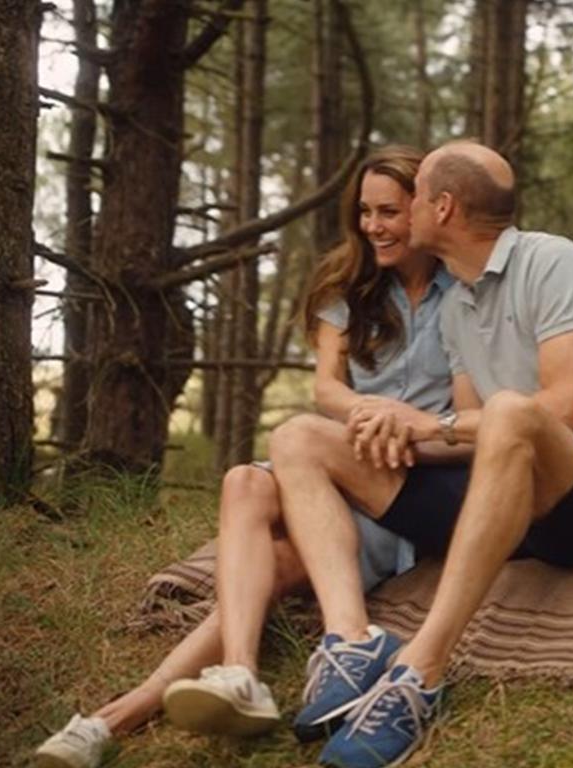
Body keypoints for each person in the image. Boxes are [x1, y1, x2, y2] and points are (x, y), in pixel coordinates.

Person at [34, 144, 460, 768]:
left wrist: (407, 425)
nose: (373, 226)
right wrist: (369, 415)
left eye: (389, 212)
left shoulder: (465, 292)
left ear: (424, 211)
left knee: (278, 569)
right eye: (364, 212)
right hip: (334, 456)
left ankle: (117, 716)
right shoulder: (349, 287)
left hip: (393, 485)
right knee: (242, 482)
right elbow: (326, 389)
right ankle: (239, 673)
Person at [267, 139, 573, 768]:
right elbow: (463, 431)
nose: (403, 210)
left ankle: (420, 673)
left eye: (414, 197)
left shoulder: (553, 262)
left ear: (442, 208)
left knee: (512, 410)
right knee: (300, 436)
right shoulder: (460, 303)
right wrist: (399, 430)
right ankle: (351, 640)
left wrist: (432, 423)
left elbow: (562, 408)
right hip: (494, 492)